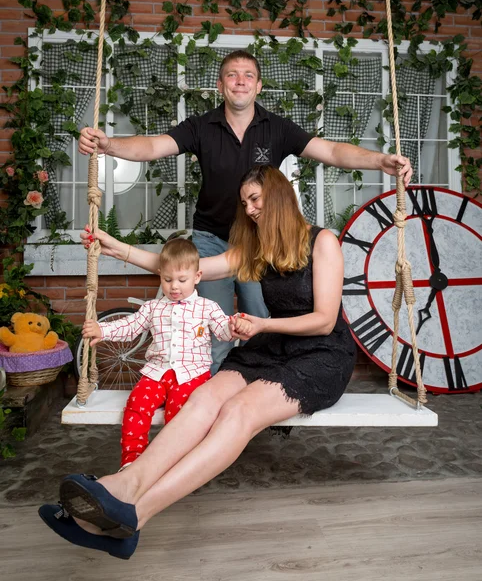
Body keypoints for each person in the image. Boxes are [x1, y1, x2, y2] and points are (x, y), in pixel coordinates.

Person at [39, 165, 360, 560]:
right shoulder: (257, 246)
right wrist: (117, 247)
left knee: (238, 412)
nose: (250, 209)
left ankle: (133, 518)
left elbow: (325, 319)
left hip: (321, 354)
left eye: (255, 199)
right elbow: (186, 270)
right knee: (204, 397)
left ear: (277, 195)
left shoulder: (322, 241)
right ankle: (124, 486)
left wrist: (261, 324)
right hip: (270, 346)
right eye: (245, 203)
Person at [77, 49, 413, 373]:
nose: (240, 81)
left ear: (258, 86)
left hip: (259, 243)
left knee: (260, 322)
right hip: (211, 240)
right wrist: (109, 146)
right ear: (220, 86)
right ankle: (205, 400)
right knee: (215, 330)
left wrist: (380, 161)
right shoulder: (201, 126)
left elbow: (333, 152)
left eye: (248, 75)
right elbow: (153, 146)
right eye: (231, 75)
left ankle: (266, 391)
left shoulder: (277, 128)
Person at [81, 238, 248, 471]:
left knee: (180, 414)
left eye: (182, 280)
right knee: (137, 405)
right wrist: (103, 329)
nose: (175, 287)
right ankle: (132, 461)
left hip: (191, 375)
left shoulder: (206, 307)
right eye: (168, 280)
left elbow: (222, 330)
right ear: (160, 275)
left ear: (197, 277)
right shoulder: (153, 308)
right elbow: (131, 326)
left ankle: (173, 463)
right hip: (157, 373)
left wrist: (234, 327)